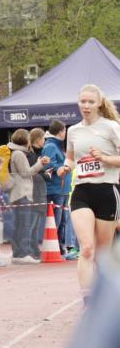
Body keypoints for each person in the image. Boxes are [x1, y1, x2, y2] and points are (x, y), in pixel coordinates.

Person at [57, 84, 120, 303]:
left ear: (99, 103)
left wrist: (103, 157)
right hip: (81, 191)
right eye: (82, 101)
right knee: (86, 249)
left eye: (90, 102)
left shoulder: (111, 127)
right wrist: (65, 167)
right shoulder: (73, 130)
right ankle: (87, 299)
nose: (86, 106)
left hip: (106, 190)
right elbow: (71, 158)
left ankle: (105, 295)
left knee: (102, 254)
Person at [6, 128, 50, 264]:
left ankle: (18, 253)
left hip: (20, 192)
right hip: (22, 192)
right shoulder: (19, 154)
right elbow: (26, 173)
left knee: (20, 224)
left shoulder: (16, 153)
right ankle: (23, 253)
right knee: (24, 225)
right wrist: (39, 164)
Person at [41, 119, 74, 255]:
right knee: (57, 220)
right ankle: (57, 248)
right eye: (65, 130)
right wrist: (60, 167)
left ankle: (61, 247)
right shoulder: (50, 146)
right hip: (55, 189)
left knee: (62, 220)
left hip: (62, 189)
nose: (65, 132)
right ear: (61, 131)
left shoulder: (56, 145)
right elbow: (47, 165)